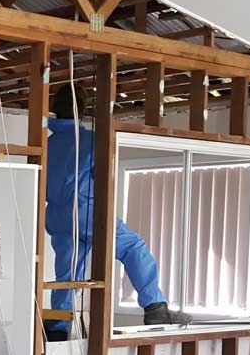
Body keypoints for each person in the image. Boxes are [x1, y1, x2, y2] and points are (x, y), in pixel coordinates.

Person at [44, 83, 189, 341]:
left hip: (57, 216)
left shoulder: (49, 144)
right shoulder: (91, 140)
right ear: (84, 109)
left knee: (67, 274)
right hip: (87, 211)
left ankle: (56, 326)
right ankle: (155, 307)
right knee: (133, 247)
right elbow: (104, 175)